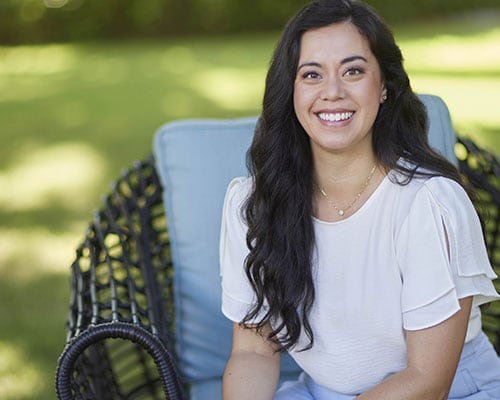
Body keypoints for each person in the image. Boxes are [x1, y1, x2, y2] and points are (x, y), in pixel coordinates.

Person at [219, 0, 500, 398]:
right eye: (311, 74)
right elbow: (252, 352)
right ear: (291, 91)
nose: (332, 92)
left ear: (383, 85)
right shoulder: (253, 205)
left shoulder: (429, 204)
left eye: (353, 70)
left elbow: (427, 381)